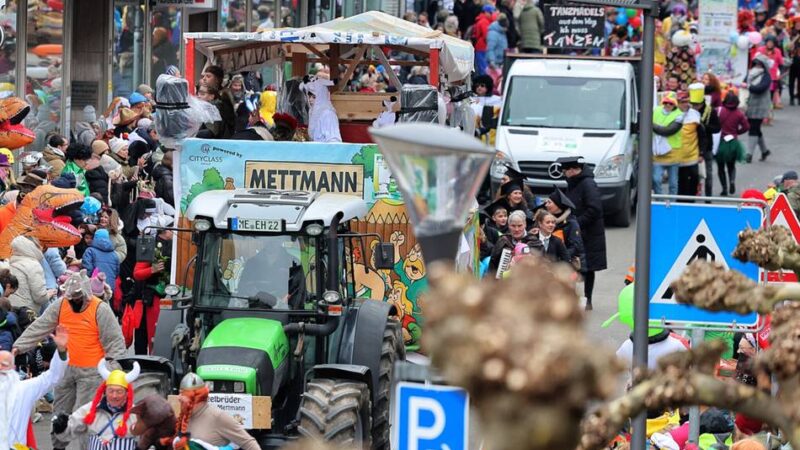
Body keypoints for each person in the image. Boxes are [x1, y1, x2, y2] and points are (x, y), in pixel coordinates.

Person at [12, 270, 126, 450]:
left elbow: (115, 343)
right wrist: (18, 347)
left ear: (86, 294)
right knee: (60, 414)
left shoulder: (100, 309)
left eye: (77, 298)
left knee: (86, 417)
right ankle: (58, 447)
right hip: (65, 369)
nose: (73, 301)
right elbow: (41, 326)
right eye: (71, 297)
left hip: (91, 372)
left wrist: (113, 371)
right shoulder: (61, 305)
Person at [0, 325, 68, 448]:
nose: (1, 368)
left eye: (5, 365)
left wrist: (61, 351)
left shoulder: (23, 389)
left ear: (13, 368)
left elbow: (53, 376)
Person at [52, 359, 140, 450]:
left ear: (127, 393)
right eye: (111, 391)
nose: (114, 396)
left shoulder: (136, 414)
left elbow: (146, 438)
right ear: (105, 391)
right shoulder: (90, 409)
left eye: (119, 391)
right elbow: (69, 431)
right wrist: (61, 426)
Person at [560, 156, 607, 310]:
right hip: (580, 231)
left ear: (573, 170)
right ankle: (576, 299)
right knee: (576, 265)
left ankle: (587, 300)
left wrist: (576, 224)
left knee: (588, 267)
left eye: (566, 170)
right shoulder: (574, 183)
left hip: (588, 232)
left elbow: (594, 209)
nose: (565, 173)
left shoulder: (587, 184)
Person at [174, 372, 260, 450]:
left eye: (183, 394)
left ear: (195, 397)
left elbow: (250, 444)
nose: (179, 398)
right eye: (179, 393)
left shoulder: (218, 417)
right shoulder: (183, 418)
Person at [131, 226, 173, 354]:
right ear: (166, 231)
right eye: (173, 230)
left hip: (173, 295)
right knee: (154, 331)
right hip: (154, 296)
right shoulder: (150, 246)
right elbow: (137, 273)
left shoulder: (177, 246)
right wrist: (152, 270)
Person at [543, 188, 586, 271]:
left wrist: (560, 258)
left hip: (564, 265)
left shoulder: (571, 223)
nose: (546, 205)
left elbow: (575, 246)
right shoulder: (544, 219)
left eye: (549, 202)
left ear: (558, 205)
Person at [692, 82, 721, 197]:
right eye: (693, 104)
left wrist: (704, 127)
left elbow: (717, 128)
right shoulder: (689, 111)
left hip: (707, 146)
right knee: (693, 174)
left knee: (708, 174)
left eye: (697, 104)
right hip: (692, 146)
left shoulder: (710, 111)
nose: (695, 107)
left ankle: (708, 197)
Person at [8, 236, 52, 312]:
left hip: (10, 309)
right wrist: (49, 294)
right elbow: (40, 297)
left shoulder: (11, 262)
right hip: (26, 312)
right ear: (32, 247)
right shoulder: (34, 265)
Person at [652, 92, 684, 195]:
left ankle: (672, 204)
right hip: (658, 153)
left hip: (673, 153)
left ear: (675, 104)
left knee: (673, 183)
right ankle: (660, 201)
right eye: (666, 102)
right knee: (656, 180)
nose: (667, 105)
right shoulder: (655, 110)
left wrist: (650, 124)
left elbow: (668, 131)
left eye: (670, 103)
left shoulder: (679, 115)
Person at [745, 54, 774, 163]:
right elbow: (744, 82)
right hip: (750, 104)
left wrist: (748, 86)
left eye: (759, 64)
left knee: (753, 128)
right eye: (755, 63)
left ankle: (749, 154)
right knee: (755, 129)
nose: (757, 66)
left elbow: (760, 88)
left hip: (761, 106)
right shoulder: (750, 74)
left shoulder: (766, 76)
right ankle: (765, 151)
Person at [675, 90, 702, 197]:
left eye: (687, 102)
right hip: (677, 155)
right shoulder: (673, 115)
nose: (685, 104)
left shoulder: (695, 115)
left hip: (692, 154)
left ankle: (691, 201)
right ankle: (680, 203)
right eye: (682, 102)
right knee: (681, 181)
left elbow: (701, 135)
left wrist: (702, 153)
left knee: (694, 178)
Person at [82, 229, 120, 296]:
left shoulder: (90, 251)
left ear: (95, 238)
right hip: (109, 288)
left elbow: (87, 269)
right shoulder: (115, 255)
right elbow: (116, 273)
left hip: (94, 287)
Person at [473, 5, 495, 75]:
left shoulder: (482, 20)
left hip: (481, 47)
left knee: (481, 67)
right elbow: (487, 36)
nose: (492, 15)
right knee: (484, 69)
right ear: (486, 12)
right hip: (482, 48)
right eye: (490, 13)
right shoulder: (484, 22)